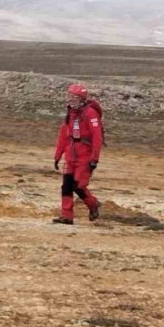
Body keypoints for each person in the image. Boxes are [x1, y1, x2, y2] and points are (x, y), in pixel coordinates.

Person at [52, 84, 102, 225]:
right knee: (66, 185)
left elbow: (97, 137)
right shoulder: (70, 114)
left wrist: (94, 158)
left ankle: (93, 204)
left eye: (74, 97)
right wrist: (57, 156)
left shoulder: (90, 113)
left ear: (81, 99)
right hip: (70, 155)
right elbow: (63, 136)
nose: (71, 99)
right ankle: (66, 216)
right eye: (69, 96)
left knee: (79, 185)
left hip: (84, 156)